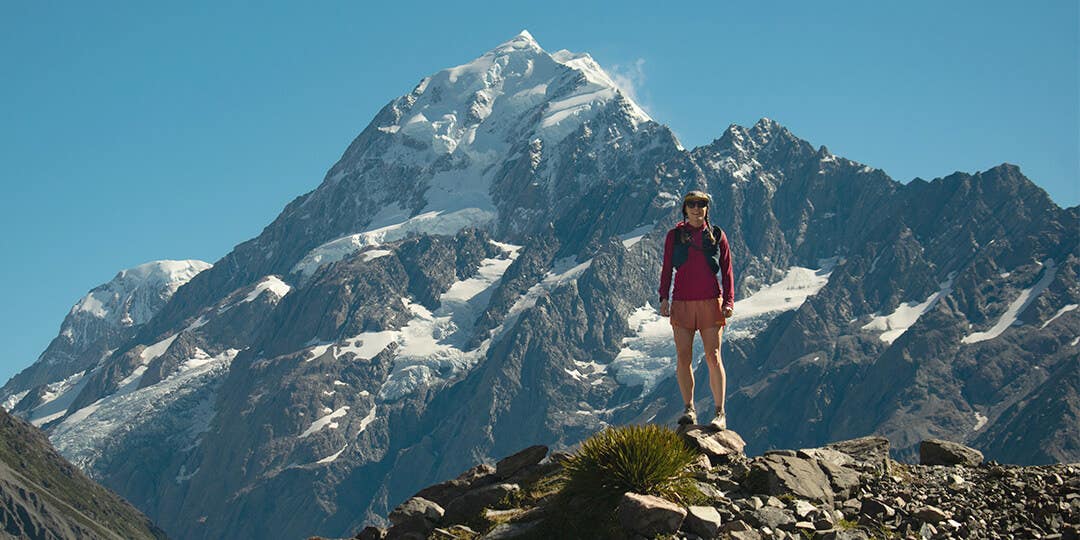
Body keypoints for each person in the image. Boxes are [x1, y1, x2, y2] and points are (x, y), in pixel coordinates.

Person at [658, 190, 735, 430]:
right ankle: (689, 409)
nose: (696, 208)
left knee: (713, 356)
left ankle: (720, 413)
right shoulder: (674, 236)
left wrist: (729, 302)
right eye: (691, 204)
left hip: (711, 302)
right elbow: (667, 267)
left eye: (701, 204)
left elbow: (727, 270)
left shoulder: (717, 235)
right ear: (685, 208)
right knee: (683, 357)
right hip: (681, 303)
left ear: (707, 209)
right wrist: (663, 298)